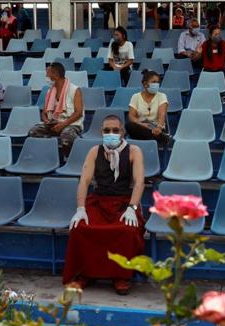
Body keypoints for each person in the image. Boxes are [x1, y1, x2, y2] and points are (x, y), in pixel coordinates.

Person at [63, 115, 145, 295]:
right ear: (101, 132)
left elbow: (139, 182)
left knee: (127, 230)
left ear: (122, 132)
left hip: (124, 202)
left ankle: (121, 276)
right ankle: (85, 273)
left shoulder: (134, 151)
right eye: (107, 131)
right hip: (99, 201)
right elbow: (84, 181)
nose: (111, 134)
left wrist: (132, 208)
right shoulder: (94, 151)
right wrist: (80, 208)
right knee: (80, 227)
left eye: (115, 130)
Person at [28, 62, 84, 157]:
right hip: (53, 124)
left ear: (56, 74)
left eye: (47, 74)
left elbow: (78, 113)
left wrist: (63, 124)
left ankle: (69, 159)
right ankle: (48, 155)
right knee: (33, 131)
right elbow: (44, 112)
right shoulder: (50, 91)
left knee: (67, 136)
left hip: (70, 124)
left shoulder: (75, 90)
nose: (46, 76)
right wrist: (46, 121)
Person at [126, 69, 169, 144]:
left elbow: (162, 114)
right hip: (141, 126)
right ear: (145, 84)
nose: (156, 84)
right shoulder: (135, 96)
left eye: (158, 82)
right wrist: (141, 124)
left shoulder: (162, 96)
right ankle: (158, 138)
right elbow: (131, 116)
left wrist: (158, 127)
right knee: (129, 125)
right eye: (154, 82)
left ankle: (153, 137)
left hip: (156, 127)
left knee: (156, 132)